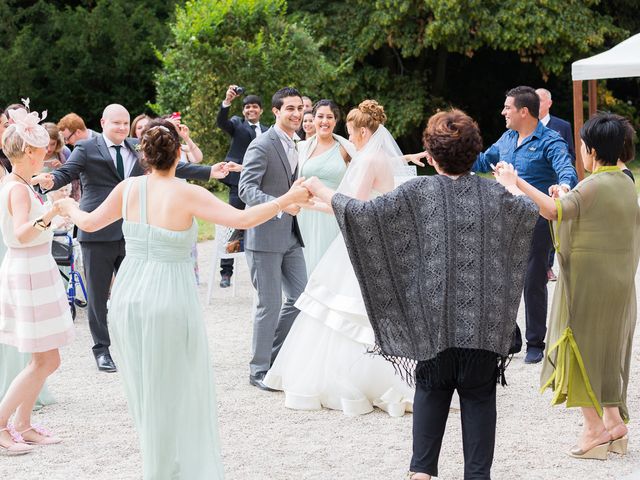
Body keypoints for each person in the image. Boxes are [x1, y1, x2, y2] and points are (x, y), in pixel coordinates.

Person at [56, 118, 311, 479]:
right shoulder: (188, 193)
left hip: (128, 298)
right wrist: (286, 199)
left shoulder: (128, 189)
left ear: (143, 154)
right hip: (168, 297)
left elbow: (91, 223)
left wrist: (69, 209)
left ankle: (159, 464)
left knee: (146, 389)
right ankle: (165, 469)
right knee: (175, 387)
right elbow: (245, 216)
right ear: (178, 152)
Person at [304, 108, 538, 479]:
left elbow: (363, 216)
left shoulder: (417, 191)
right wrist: (511, 184)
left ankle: (421, 473)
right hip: (483, 326)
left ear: (430, 154)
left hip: (433, 321)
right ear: (474, 152)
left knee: (431, 390)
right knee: (479, 399)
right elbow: (526, 211)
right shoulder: (495, 193)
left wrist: (321, 190)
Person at [33, 104, 230, 373]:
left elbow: (172, 167)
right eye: (116, 123)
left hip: (133, 231)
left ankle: (135, 343)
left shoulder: (139, 146)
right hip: (97, 232)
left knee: (137, 293)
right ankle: (101, 349)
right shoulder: (86, 148)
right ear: (103, 122)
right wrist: (49, 181)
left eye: (125, 123)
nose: (122, 128)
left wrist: (208, 171)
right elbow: (66, 172)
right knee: (99, 295)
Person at [264, 100, 424, 416]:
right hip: (376, 239)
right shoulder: (379, 158)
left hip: (361, 242)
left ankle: (352, 379)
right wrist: (309, 203)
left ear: (363, 131)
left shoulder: (367, 161)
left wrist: (313, 195)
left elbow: (352, 208)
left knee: (345, 307)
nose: (350, 136)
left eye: (351, 131)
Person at [495, 113, 640, 461]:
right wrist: (565, 193)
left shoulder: (593, 185)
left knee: (575, 347)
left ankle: (593, 428)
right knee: (605, 348)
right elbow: (577, 208)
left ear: (591, 149)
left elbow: (554, 211)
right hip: (619, 280)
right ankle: (613, 420)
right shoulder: (624, 179)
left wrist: (517, 183)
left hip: (589, 281)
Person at [473, 85, 577, 364]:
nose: (503, 112)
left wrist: (564, 186)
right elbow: (483, 161)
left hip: (536, 220)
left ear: (524, 111)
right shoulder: (506, 139)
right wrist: (449, 154)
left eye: (508, 107)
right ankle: (510, 337)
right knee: (500, 278)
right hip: (504, 219)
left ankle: (535, 342)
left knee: (532, 279)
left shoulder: (550, 140)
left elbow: (566, 168)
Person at [0, 107, 75, 455]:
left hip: (36, 269)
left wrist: (52, 216)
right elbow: (22, 233)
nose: (46, 153)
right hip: (28, 271)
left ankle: (24, 424)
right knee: (43, 360)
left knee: (47, 359)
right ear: (28, 153)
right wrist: (51, 214)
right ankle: (3, 423)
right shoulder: (15, 189)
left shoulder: (20, 184)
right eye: (41, 149)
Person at [238, 87, 308, 391]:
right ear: (275, 112)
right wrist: (281, 204)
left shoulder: (297, 144)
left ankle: (273, 357)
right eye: (289, 108)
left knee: (301, 297)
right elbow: (246, 189)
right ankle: (258, 369)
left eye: (299, 108)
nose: (296, 114)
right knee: (269, 304)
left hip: (291, 234)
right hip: (264, 234)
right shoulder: (261, 144)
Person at [217, 86, 267, 288]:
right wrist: (227, 102)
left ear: (261, 110)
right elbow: (222, 122)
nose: (250, 110)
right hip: (237, 183)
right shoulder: (237, 124)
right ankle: (226, 272)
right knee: (234, 224)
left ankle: (262, 270)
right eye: (247, 107)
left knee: (263, 224)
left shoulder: (267, 130)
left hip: (261, 184)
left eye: (254, 107)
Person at [297, 99, 354, 274]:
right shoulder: (302, 147)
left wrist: (405, 158)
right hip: (305, 213)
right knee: (305, 267)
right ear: (313, 119)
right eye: (320, 116)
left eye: (330, 117)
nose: (324, 121)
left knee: (332, 270)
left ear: (335, 121)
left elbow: (369, 164)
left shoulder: (345, 148)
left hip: (332, 213)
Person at [536, 88, 575, 282]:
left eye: (540, 101)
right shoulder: (527, 126)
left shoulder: (562, 126)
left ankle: (548, 265)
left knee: (553, 226)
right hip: (536, 183)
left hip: (556, 183)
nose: (537, 105)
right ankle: (542, 265)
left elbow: (570, 154)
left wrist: (564, 181)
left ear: (549, 103)